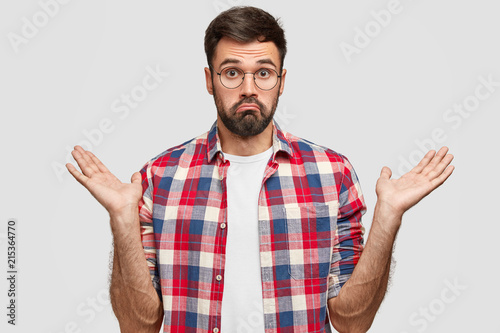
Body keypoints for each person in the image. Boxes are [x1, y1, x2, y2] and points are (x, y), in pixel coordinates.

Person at [66, 6, 454, 333]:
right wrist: (121, 219)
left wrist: (388, 217)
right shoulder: (160, 176)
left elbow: (351, 321)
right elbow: (139, 325)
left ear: (281, 82)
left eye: (263, 73)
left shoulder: (331, 173)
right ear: (209, 81)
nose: (249, 88)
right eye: (232, 72)